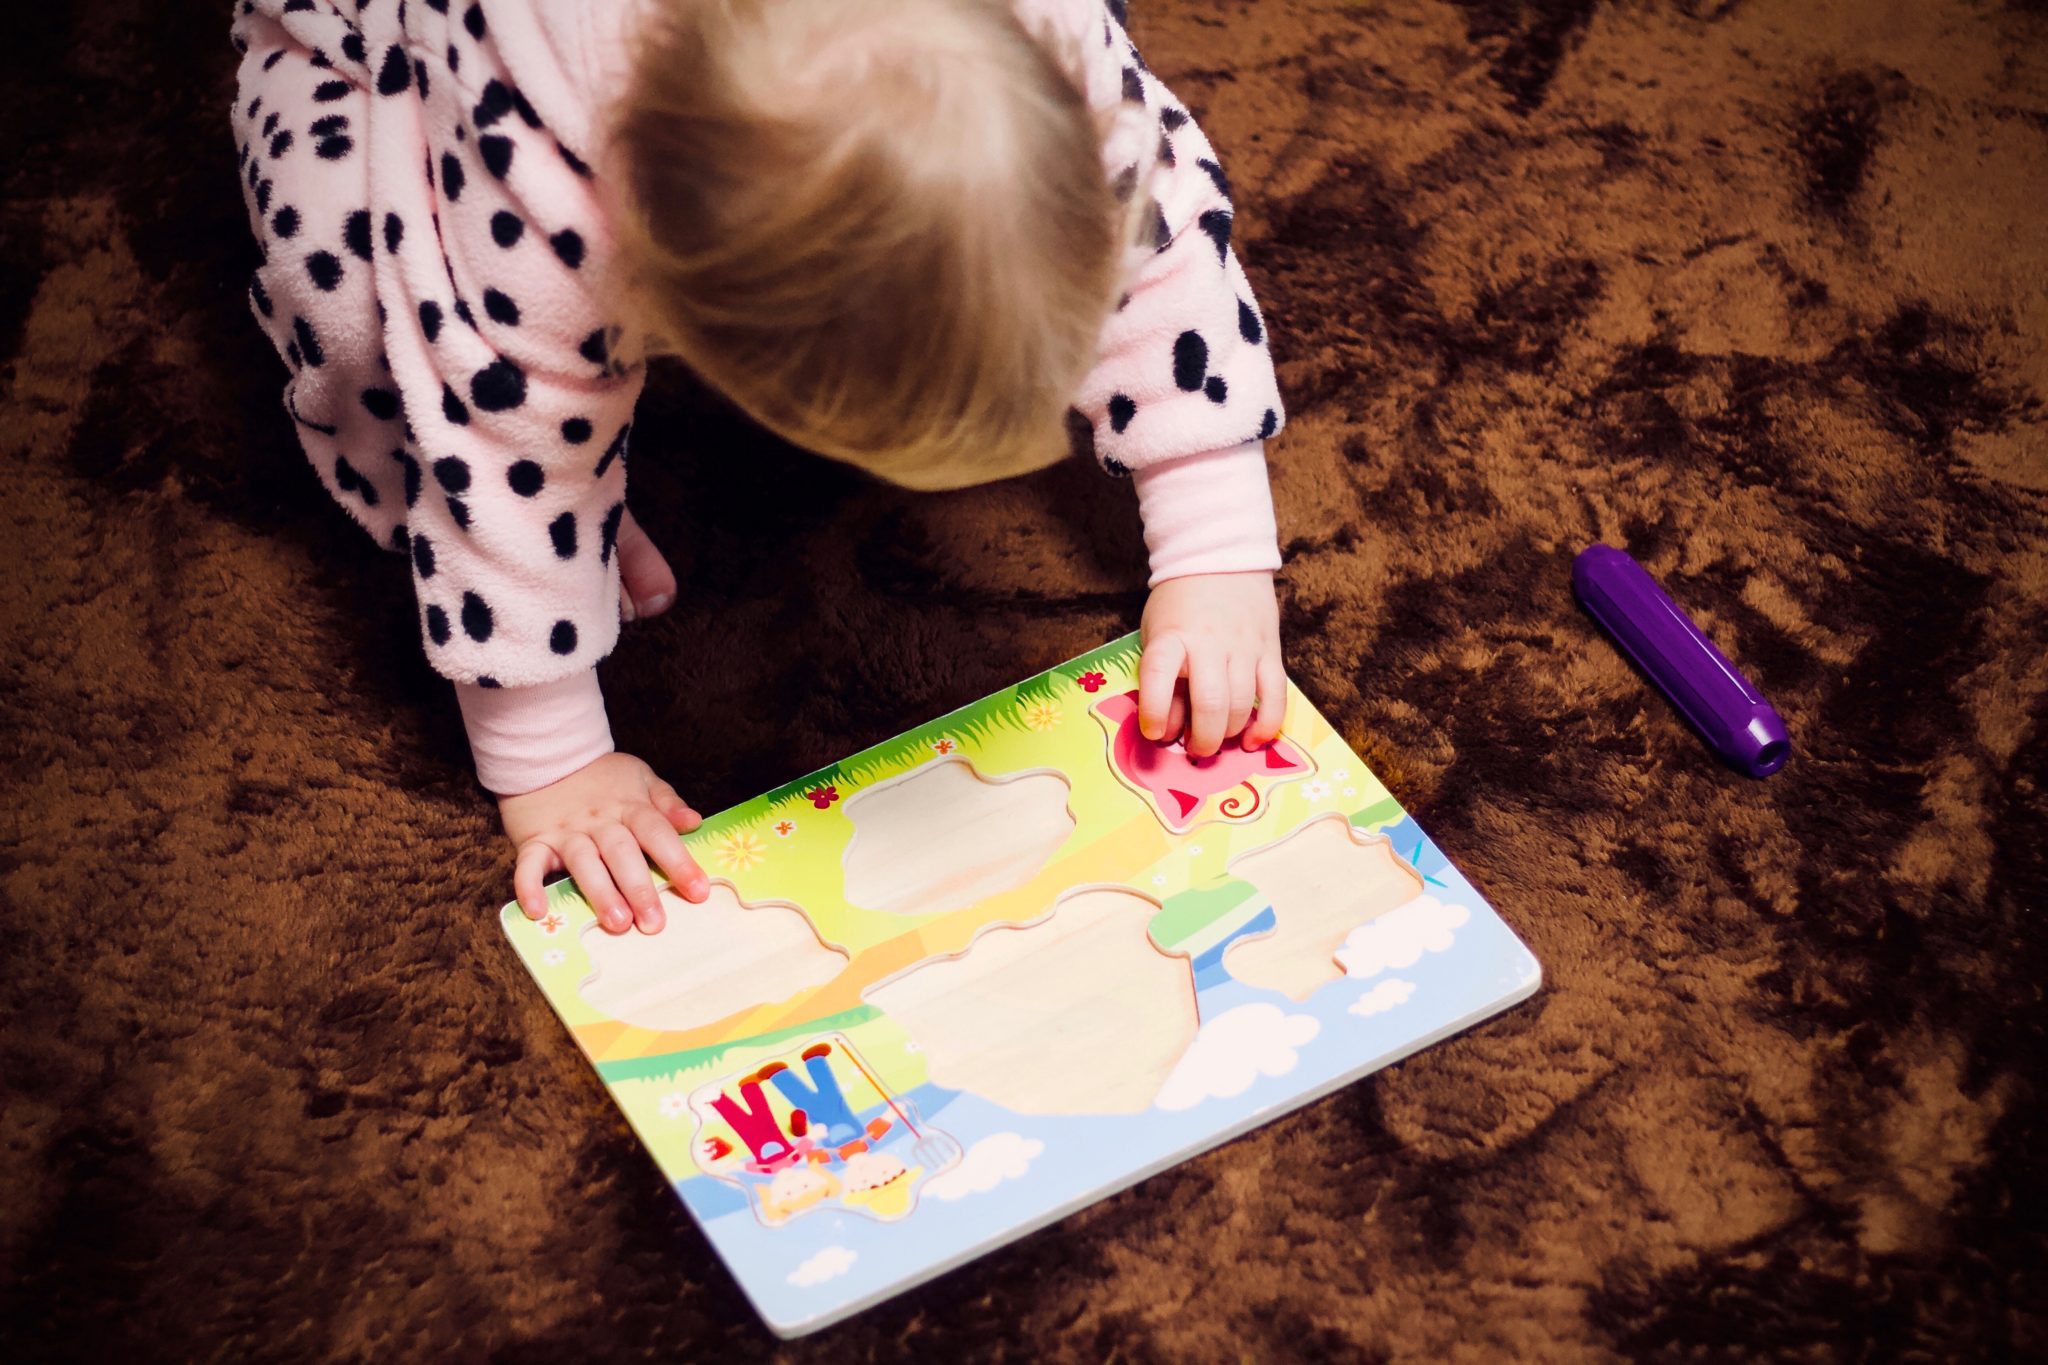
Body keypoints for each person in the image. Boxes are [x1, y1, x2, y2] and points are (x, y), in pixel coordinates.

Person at [229, 0, 1289, 933]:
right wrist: (553, 767)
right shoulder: (538, 195)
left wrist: (1214, 548)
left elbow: (1159, 247)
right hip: (374, 44)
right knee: (375, 321)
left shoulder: (1050, 45)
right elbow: (494, 442)